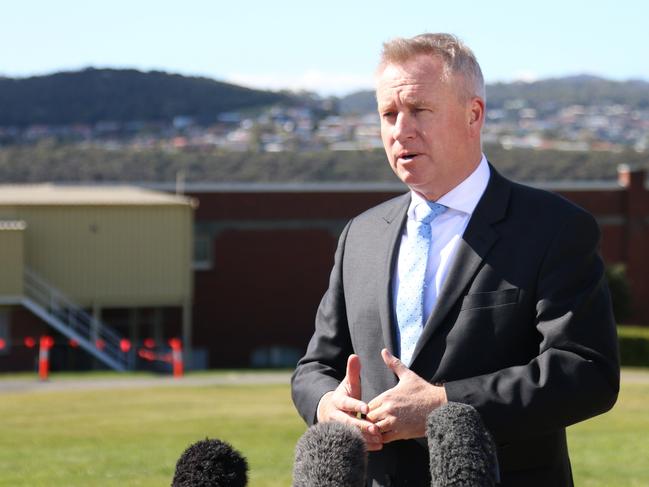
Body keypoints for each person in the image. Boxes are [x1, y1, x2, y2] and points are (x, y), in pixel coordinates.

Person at [291, 33, 620, 486]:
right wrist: (327, 404)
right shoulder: (360, 236)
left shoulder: (554, 229)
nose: (400, 130)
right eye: (389, 114)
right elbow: (315, 367)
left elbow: (587, 372)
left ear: (473, 115)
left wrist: (445, 406)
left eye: (420, 110)